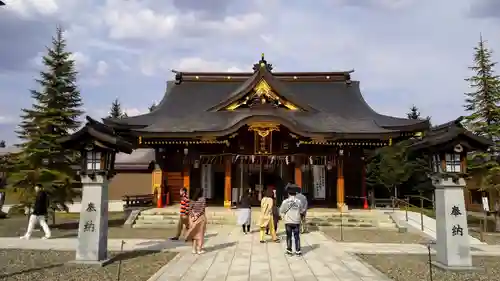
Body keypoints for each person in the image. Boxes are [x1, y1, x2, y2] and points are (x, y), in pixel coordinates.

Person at [279, 187, 305, 256]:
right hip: (296, 221)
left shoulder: (285, 201)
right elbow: (302, 210)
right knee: (297, 236)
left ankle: (289, 250)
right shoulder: (298, 201)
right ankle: (298, 251)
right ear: (295, 194)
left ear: (288, 194)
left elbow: (281, 210)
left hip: (288, 221)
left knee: (289, 236)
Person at [185, 187, 207, 254]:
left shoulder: (192, 199)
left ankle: (194, 249)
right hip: (200, 218)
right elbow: (202, 209)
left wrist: (193, 216)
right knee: (200, 234)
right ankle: (199, 249)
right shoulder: (203, 199)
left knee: (194, 234)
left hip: (192, 218)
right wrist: (197, 216)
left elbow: (189, 209)